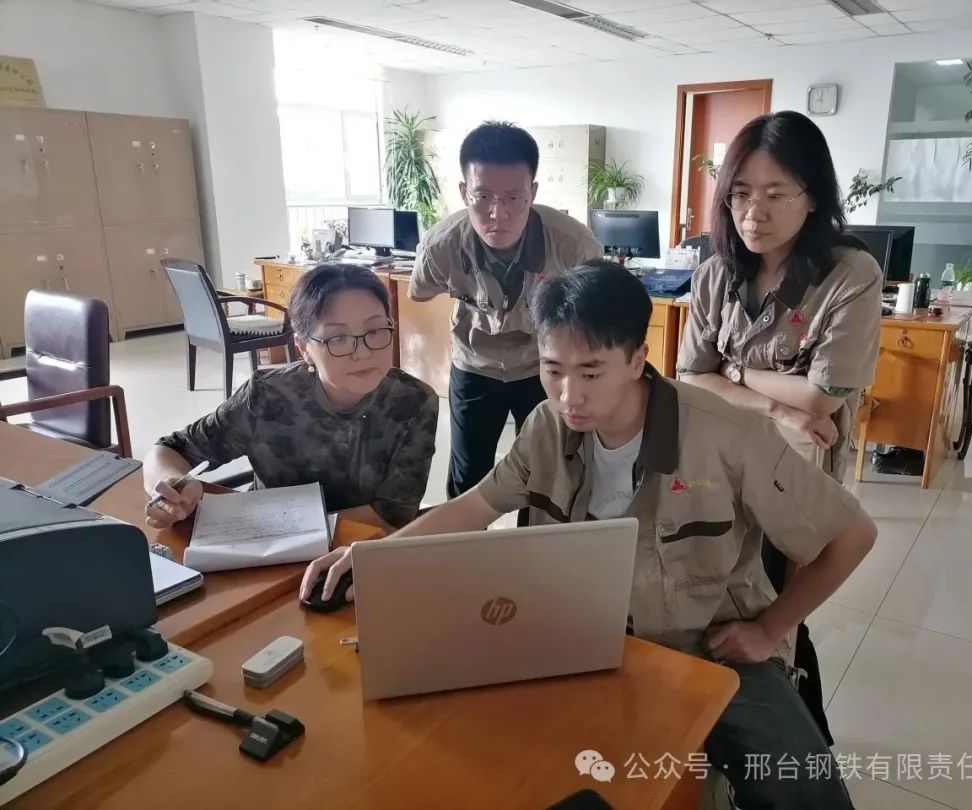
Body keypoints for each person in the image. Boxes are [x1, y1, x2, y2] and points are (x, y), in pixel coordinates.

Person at [302, 262, 875, 810]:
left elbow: (852, 535)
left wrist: (770, 629)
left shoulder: (727, 436)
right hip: (573, 634)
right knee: (465, 746)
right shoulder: (547, 427)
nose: (569, 395)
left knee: (801, 785)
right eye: (552, 370)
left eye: (591, 372)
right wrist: (374, 553)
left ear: (637, 359)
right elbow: (475, 506)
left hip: (704, 647)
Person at [676, 111, 882, 742]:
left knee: (781, 611)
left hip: (797, 466)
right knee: (727, 594)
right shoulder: (717, 272)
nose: (753, 213)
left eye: (775, 194)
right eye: (740, 194)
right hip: (718, 462)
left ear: (812, 197)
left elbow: (822, 397)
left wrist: (735, 373)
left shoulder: (848, 275)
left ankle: (802, 741)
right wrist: (775, 403)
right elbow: (687, 376)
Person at [143, 263, 438, 535]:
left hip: (356, 549)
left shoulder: (413, 403)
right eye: (337, 338)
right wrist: (169, 490)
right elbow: (169, 450)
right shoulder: (267, 396)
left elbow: (392, 516)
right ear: (304, 348)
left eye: (375, 331)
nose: (362, 352)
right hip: (265, 545)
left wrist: (294, 530)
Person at [409, 121, 601, 502]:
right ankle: (466, 542)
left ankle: (540, 538)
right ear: (464, 193)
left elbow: (597, 310)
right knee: (468, 474)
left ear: (533, 193)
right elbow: (419, 291)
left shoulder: (573, 245)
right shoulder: (441, 246)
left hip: (541, 366)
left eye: (514, 198)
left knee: (551, 469)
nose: (498, 214)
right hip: (474, 364)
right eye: (482, 197)